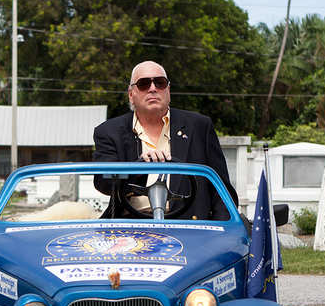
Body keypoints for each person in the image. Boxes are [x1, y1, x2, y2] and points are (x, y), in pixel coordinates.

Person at [93, 60, 238, 220]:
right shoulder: (108, 131)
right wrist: (138, 169)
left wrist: (221, 234)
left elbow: (222, 189)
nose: (153, 88)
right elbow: (103, 183)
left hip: (189, 228)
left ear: (168, 90)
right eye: (143, 84)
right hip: (130, 229)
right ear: (131, 95)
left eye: (160, 83)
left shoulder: (199, 126)